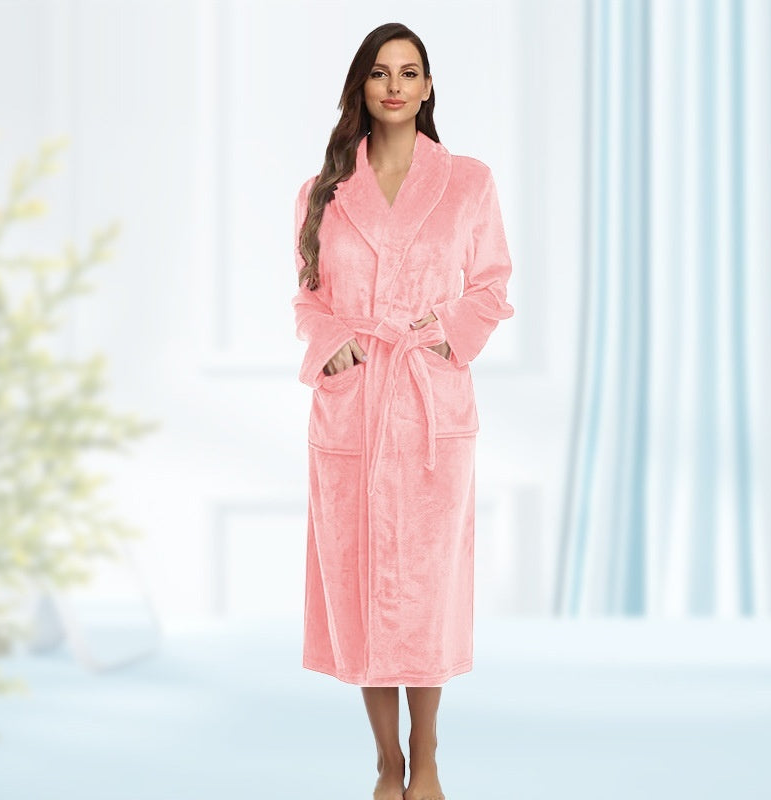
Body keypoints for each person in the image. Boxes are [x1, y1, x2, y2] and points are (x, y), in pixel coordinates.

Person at [291, 21, 514, 800]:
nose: (394, 85)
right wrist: (332, 345)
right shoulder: (323, 192)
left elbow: (492, 284)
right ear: (362, 85)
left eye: (408, 72)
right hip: (353, 409)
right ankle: (387, 761)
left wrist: (448, 335)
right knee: (360, 584)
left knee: (424, 586)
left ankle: (428, 753)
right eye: (380, 72)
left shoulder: (468, 182)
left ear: (427, 87)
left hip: (427, 408)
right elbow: (308, 299)